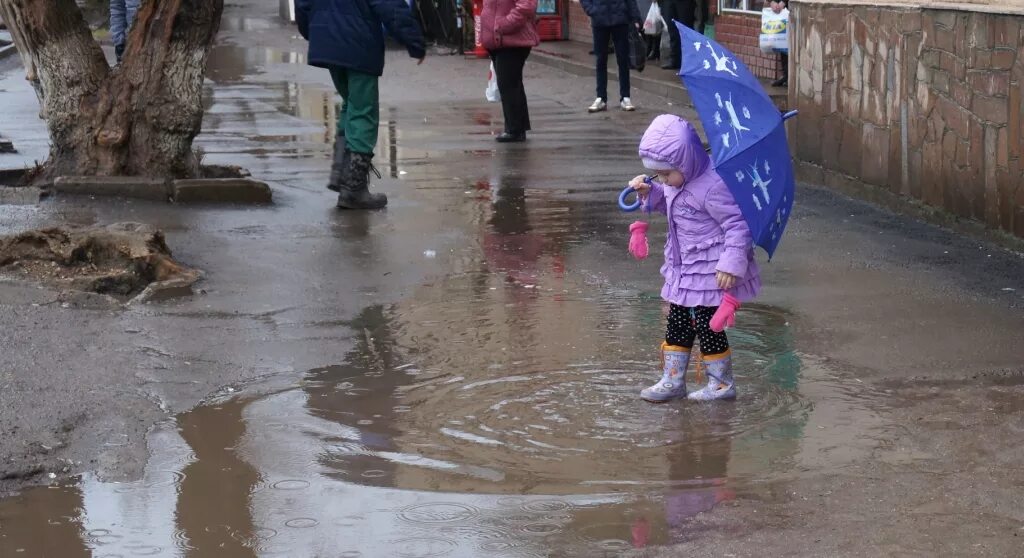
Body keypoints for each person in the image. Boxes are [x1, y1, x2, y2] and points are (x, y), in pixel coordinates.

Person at [629, 114, 760, 402]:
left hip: (710, 270)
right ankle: (673, 380)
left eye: (666, 175)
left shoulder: (713, 186)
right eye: (658, 175)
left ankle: (722, 384)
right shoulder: (676, 182)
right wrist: (650, 193)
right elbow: (669, 205)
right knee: (677, 322)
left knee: (708, 325)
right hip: (683, 267)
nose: (663, 180)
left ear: (685, 163)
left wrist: (731, 263)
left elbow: (738, 225)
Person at [296, 0, 426, 210]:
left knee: (352, 105)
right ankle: (354, 188)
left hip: (328, 41)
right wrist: (415, 42)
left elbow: (302, 6)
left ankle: (341, 175)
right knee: (364, 111)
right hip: (358, 42)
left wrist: (318, 33)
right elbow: (391, 7)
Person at [480, 0, 540, 143]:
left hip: (512, 39)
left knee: (508, 85)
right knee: (511, 84)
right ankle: (516, 127)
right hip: (497, 40)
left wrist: (502, 25)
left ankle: (515, 130)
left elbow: (526, 6)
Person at [581, 0, 642, 113]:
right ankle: (601, 97)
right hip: (600, 19)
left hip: (620, 18)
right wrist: (591, 10)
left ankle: (625, 97)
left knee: (623, 60)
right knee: (600, 60)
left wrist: (635, 17)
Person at [658, 0, 697, 70]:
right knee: (672, 29)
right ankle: (675, 60)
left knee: (685, 29)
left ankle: (688, 61)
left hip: (684, 3)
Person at [768, 0, 788, 86]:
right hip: (781, 9)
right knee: (782, 41)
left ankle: (788, 76)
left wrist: (783, 2)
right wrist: (772, 2)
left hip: (793, 8)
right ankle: (786, 75)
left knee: (789, 42)